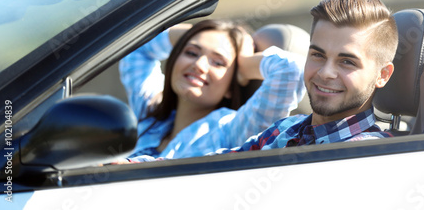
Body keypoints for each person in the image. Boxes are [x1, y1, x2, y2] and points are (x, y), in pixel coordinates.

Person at [125, 0, 398, 163]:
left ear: (382, 75)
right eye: (317, 55)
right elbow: (206, 166)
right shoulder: (284, 130)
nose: (325, 73)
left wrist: (242, 64)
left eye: (347, 61)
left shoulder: (372, 158)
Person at [119, 19, 306, 160]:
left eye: (218, 62)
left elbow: (291, 72)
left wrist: (244, 66)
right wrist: (191, 32)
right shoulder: (151, 112)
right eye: (191, 52)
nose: (199, 65)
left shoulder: (231, 132)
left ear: (231, 87)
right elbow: (135, 44)